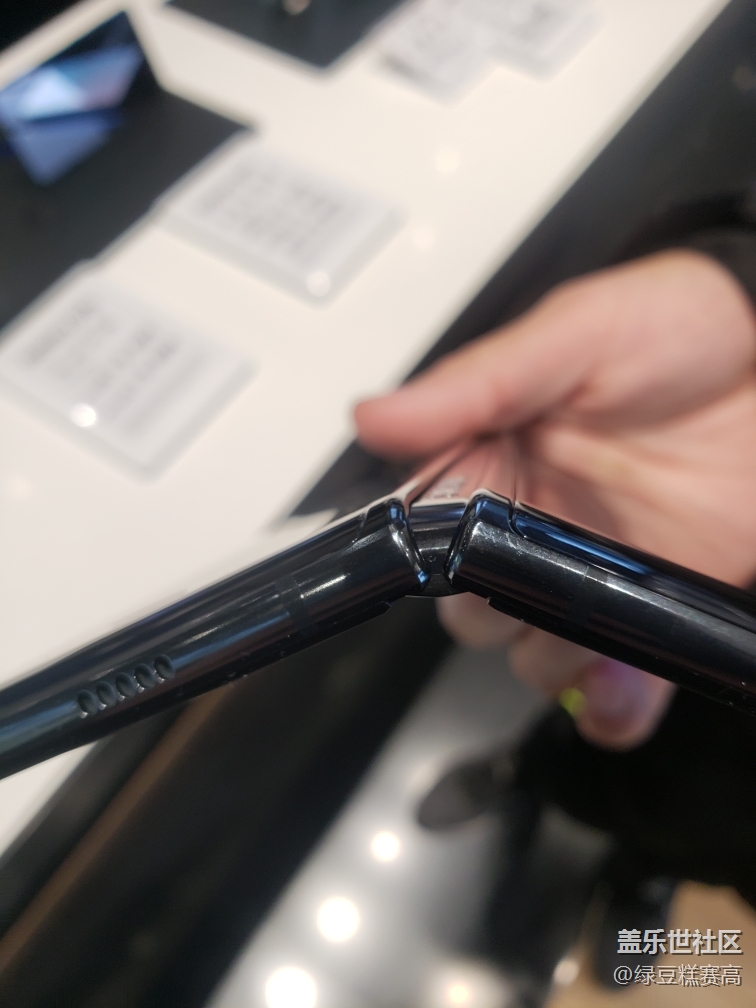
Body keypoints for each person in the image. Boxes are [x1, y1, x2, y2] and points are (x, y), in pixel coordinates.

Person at [354, 243, 756, 986]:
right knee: (586, 706)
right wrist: (742, 276)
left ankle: (644, 875)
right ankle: (526, 772)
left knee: (664, 797)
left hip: (735, 838)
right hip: (696, 647)